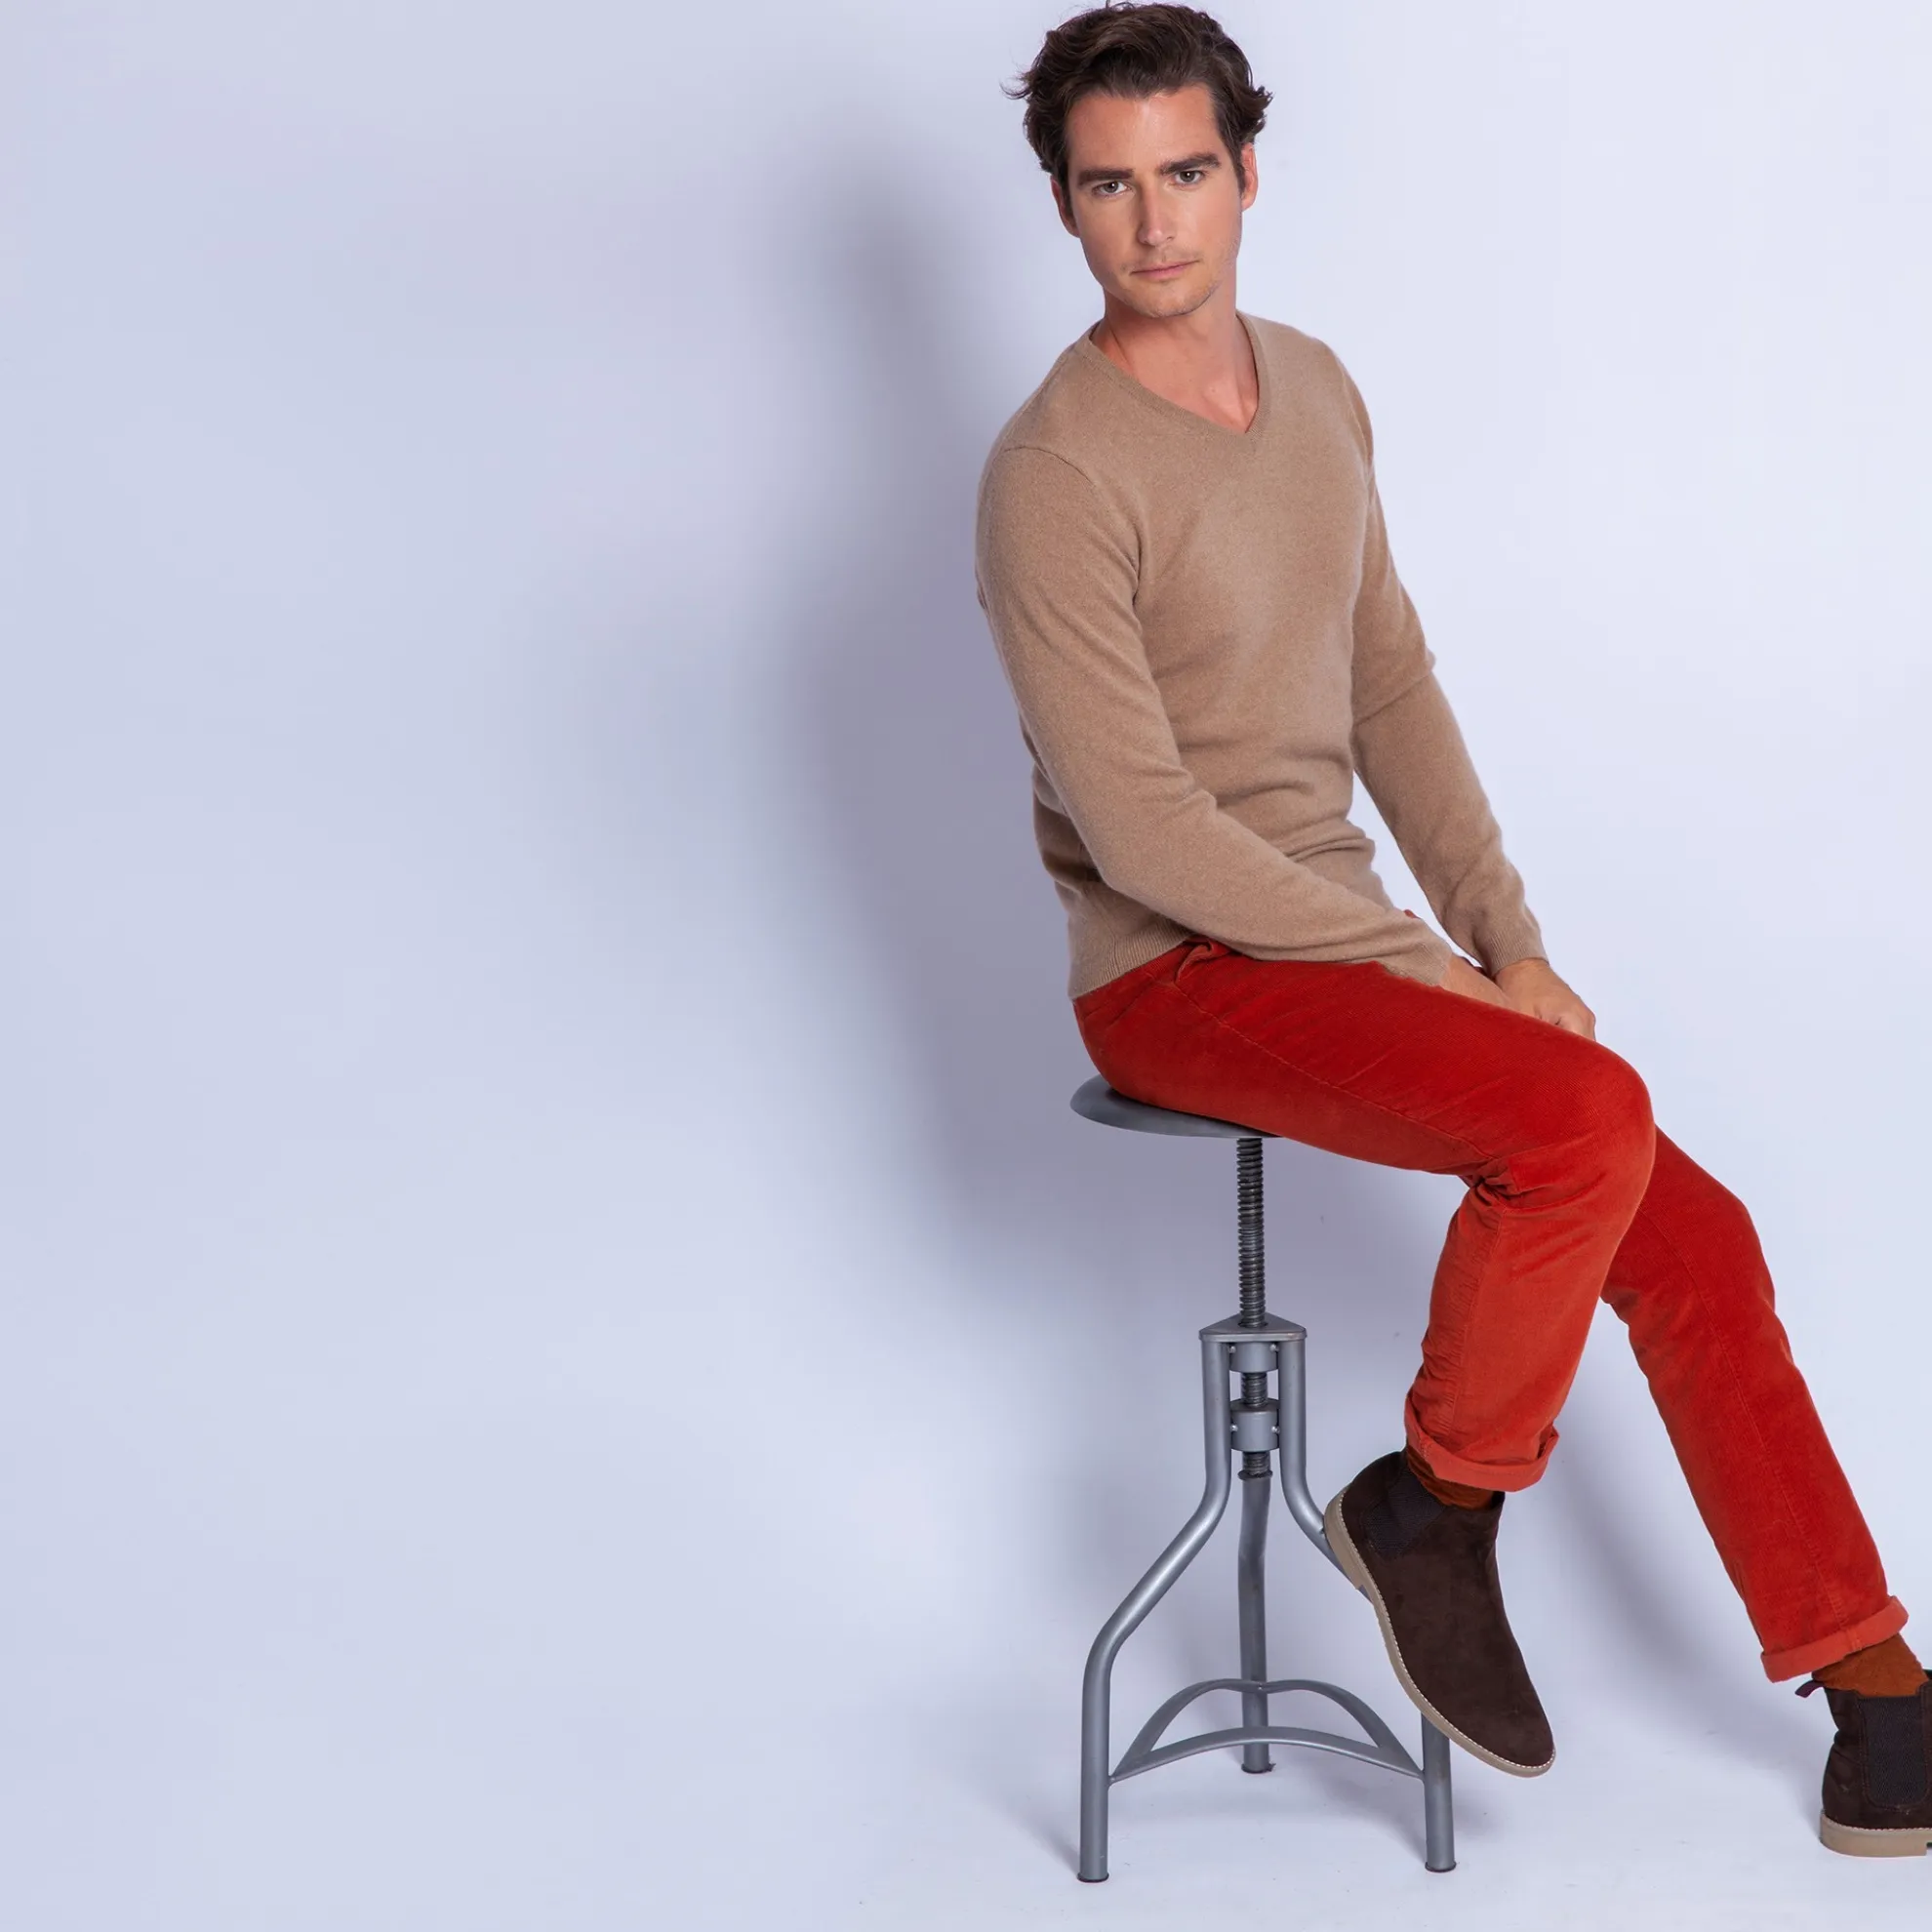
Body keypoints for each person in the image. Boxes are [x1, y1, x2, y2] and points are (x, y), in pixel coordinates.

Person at [974, 1, 1928, 1858]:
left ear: (1249, 172)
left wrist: (1505, 939)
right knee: (1580, 1121)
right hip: (1172, 973)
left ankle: (1874, 1687)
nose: (1155, 222)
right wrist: (1423, 967)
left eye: (1186, 172)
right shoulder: (1054, 475)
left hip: (1331, 940)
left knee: (1692, 1228)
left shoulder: (1319, 389)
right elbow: (1145, 834)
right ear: (1065, 208)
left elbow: (1391, 684)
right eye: (1108, 187)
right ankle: (1436, 1506)